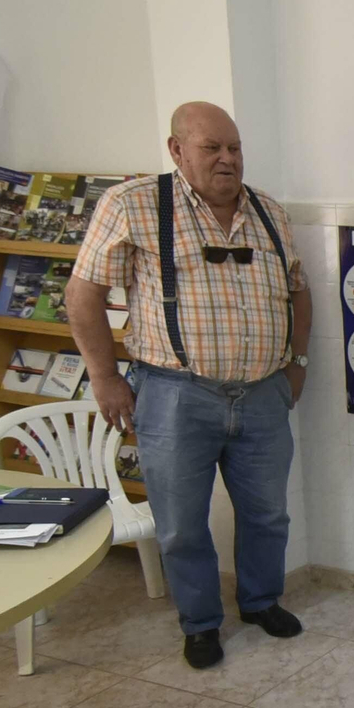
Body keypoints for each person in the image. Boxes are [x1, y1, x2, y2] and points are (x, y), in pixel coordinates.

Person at [66, 101, 312, 669]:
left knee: (268, 514)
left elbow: (299, 289)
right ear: (177, 151)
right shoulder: (132, 205)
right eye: (212, 148)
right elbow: (83, 295)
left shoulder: (270, 212)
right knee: (179, 524)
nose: (227, 159)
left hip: (264, 393)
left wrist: (296, 363)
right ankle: (200, 623)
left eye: (235, 148)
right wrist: (104, 378)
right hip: (174, 395)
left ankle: (260, 601)